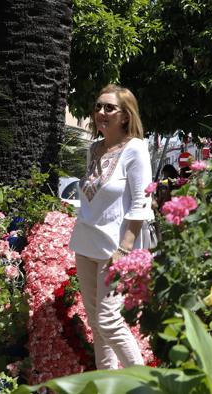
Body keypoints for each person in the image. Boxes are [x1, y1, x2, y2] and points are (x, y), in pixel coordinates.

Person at [68, 85, 153, 369]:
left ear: (126, 115)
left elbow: (142, 202)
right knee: (96, 322)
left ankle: (144, 384)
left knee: (109, 320)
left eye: (109, 108)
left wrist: (124, 249)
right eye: (98, 107)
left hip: (114, 249)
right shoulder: (93, 149)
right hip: (86, 243)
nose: (100, 113)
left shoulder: (136, 149)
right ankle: (108, 384)